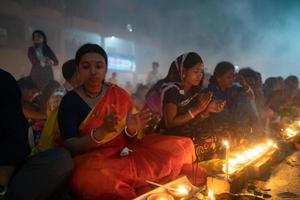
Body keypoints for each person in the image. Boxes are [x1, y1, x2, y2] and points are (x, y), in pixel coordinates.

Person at [58, 44, 206, 199]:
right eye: (86, 66)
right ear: (78, 69)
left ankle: (142, 185)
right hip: (92, 160)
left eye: (99, 66)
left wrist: (132, 130)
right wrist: (99, 134)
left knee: (181, 147)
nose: (93, 72)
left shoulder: (119, 94)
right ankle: (138, 187)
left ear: (106, 68)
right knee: (93, 180)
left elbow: (132, 137)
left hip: (124, 152)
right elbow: (70, 144)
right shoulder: (70, 101)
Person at [0, 68, 73, 200]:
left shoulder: (4, 81)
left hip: (14, 166)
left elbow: (13, 132)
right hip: (10, 166)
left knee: (60, 159)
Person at [155, 53, 225, 161]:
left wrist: (208, 109)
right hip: (170, 135)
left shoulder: (194, 91)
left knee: (214, 137)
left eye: (201, 72)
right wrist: (196, 109)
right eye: (196, 72)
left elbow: (198, 116)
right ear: (183, 71)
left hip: (187, 131)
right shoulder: (172, 91)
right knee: (192, 145)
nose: (200, 75)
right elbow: (170, 123)